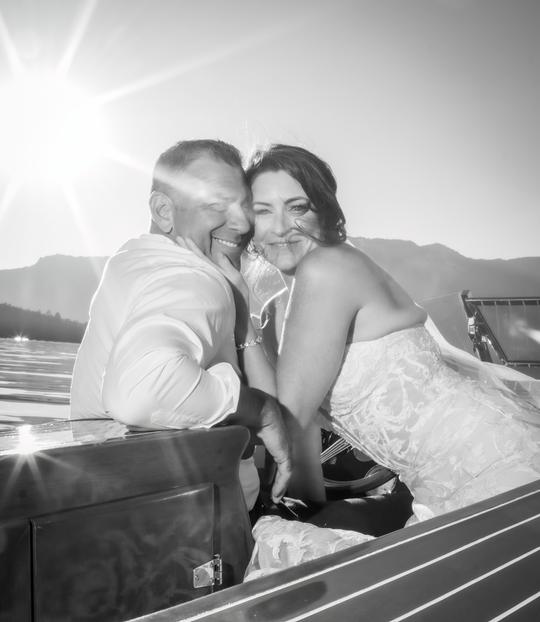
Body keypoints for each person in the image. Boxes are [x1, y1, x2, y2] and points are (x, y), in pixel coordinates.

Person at [239, 144, 540, 525]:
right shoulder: (275, 312)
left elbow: (287, 418)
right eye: (262, 211)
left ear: (325, 213)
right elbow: (298, 438)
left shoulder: (328, 268)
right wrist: (309, 512)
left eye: (297, 207)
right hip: (436, 487)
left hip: (492, 469)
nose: (280, 227)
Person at [70, 139, 291, 511]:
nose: (242, 223)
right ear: (163, 210)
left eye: (244, 206)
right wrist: (260, 410)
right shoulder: (196, 278)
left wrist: (239, 308)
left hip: (106, 507)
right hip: (192, 527)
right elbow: (142, 389)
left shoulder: (132, 259)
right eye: (217, 204)